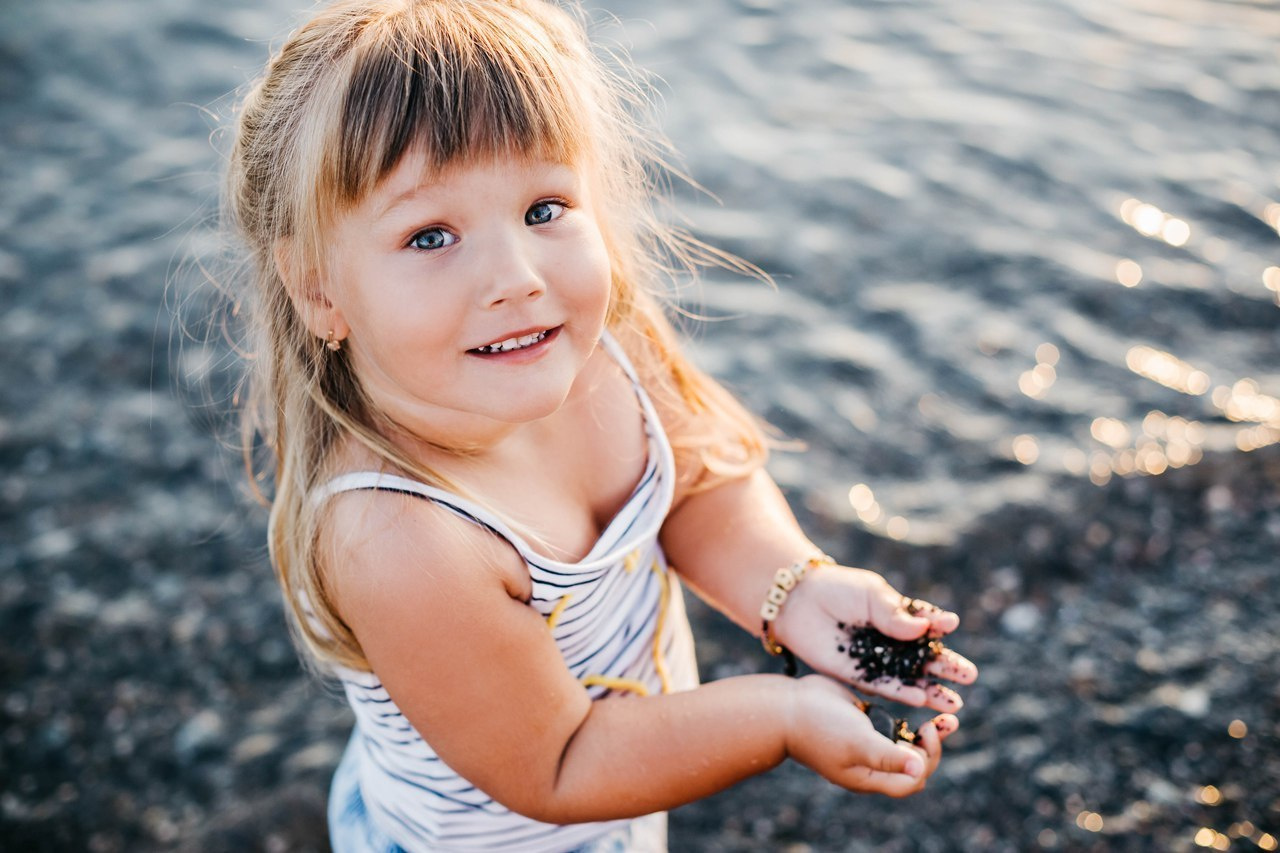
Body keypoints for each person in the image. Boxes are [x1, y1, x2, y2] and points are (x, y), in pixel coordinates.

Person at [223, 1, 978, 850]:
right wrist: (784, 717)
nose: (517, 276)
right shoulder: (403, 537)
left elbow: (697, 484)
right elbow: (560, 760)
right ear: (318, 287)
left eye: (544, 208)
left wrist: (794, 590)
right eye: (431, 235)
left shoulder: (602, 344)